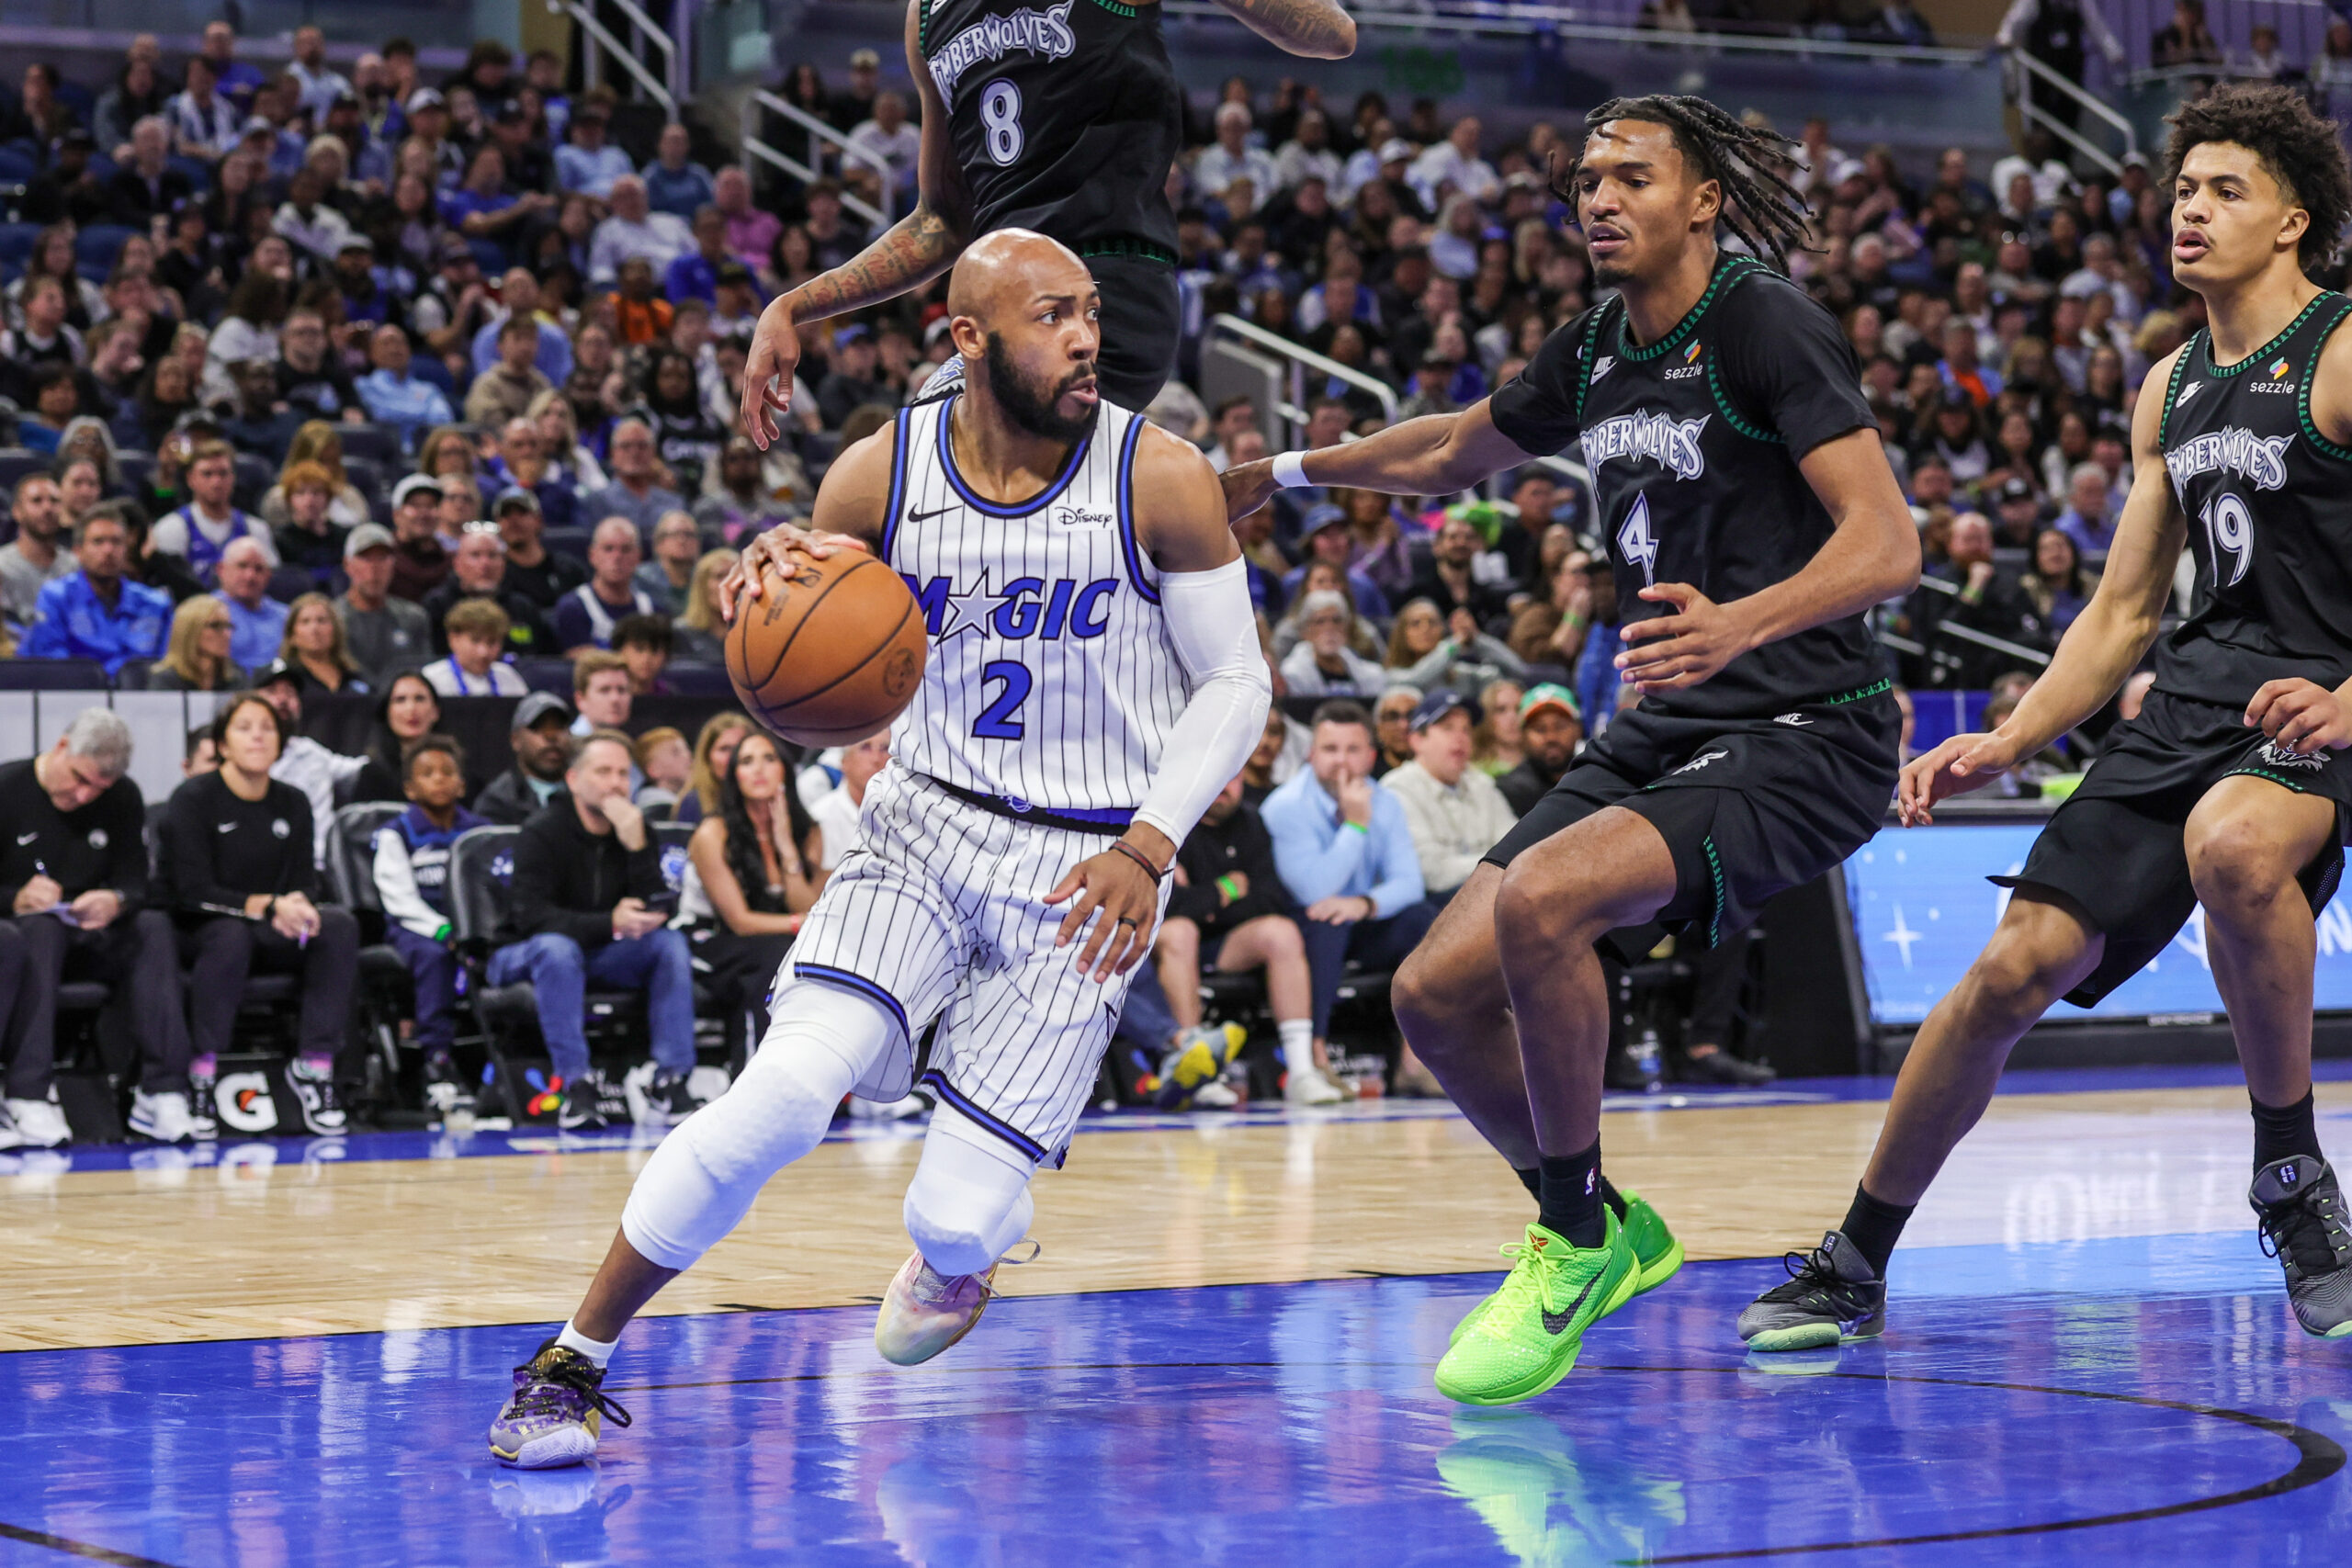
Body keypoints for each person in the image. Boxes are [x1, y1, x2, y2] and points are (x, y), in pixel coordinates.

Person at [489, 231, 1271, 1468]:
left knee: (952, 1217)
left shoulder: (1159, 473)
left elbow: (1236, 678)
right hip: (924, 822)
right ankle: (569, 1357)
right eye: (1052, 315)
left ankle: (960, 1256)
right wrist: (763, 574)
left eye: (1091, 315)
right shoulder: (876, 472)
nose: (1086, 339)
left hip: (1088, 867)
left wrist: (1152, 838)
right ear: (967, 337)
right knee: (778, 1101)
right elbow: (807, 603)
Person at [1225, 95, 1919, 1403]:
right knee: (1432, 994)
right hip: (1670, 726)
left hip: (1808, 727)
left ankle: (1571, 1240)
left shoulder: (1762, 320)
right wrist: (1290, 468)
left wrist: (1738, 626)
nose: (1597, 198)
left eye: (1630, 176)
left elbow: (1890, 542)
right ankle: (1600, 1221)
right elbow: (1445, 446)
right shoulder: (1600, 345)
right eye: (1585, 180)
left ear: (1704, 196)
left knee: (1545, 900)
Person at [1740, 85, 2352, 1353]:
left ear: (2295, 222)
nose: (2190, 209)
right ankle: (1856, 1255)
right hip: (2198, 699)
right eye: (2182, 189)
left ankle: (2291, 1176)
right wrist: (2012, 738)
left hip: (2329, 694)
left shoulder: (2344, 350)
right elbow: (2124, 612)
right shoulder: (2172, 387)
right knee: (2011, 966)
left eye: (2225, 190)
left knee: (2236, 847)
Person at [736, 0, 1354, 444]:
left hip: (1107, 285)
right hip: (1007, 299)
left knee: (930, 448)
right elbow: (942, 221)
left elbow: (1334, 35)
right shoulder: (927, 13)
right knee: (914, 469)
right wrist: (792, 306)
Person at [160, 694, 361, 1134]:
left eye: (267, 728)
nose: (258, 735)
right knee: (230, 935)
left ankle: (315, 1066)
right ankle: (201, 1073)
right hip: (204, 927)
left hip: (274, 926)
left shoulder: (293, 802)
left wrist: (300, 906)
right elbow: (191, 891)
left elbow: (304, 880)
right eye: (245, 727)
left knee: (338, 925)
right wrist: (267, 906)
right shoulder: (193, 799)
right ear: (224, 744)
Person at [486, 728, 697, 1130]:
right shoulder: (542, 831)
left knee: (668, 945)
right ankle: (576, 1085)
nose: (616, 783)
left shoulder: (636, 829)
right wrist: (610, 922)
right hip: (523, 952)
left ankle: (670, 1080)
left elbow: (659, 908)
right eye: (603, 771)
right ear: (573, 779)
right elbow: (531, 916)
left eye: (622, 773)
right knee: (556, 948)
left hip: (598, 953)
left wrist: (636, 847)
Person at [0, 712, 192, 1147]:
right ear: (62, 746)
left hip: (90, 930)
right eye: (78, 779)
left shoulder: (122, 797)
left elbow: (138, 880)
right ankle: (27, 1093)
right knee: (39, 930)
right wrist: (14, 897)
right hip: (24, 934)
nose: (84, 796)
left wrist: (117, 899)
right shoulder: (7, 788)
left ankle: (161, 1090)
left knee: (153, 927)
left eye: (97, 789)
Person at [1261, 700, 1439, 1085]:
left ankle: (1416, 1057)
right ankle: (1316, 1054)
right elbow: (1313, 891)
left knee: (1421, 918)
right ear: (1310, 754)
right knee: (1326, 921)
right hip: (1304, 923)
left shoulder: (1386, 801)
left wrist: (1365, 903)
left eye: (1352, 749)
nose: (1341, 760)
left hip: (1360, 916)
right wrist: (1356, 826)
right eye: (1330, 749)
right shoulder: (1285, 807)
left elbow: (1410, 882)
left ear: (1371, 756)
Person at [1157, 773, 1341, 1106]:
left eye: (1233, 776)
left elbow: (1271, 897)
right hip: (1172, 945)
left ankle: (1300, 1072)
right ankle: (1196, 1065)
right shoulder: (1174, 823)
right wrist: (1227, 890)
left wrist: (1210, 904)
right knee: (1182, 930)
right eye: (1217, 776)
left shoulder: (1251, 823)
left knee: (1281, 932)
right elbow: (1168, 905)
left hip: (1225, 943)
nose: (1224, 786)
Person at [685, 728, 826, 1053]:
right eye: (747, 761)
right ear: (734, 776)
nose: (759, 769)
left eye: (769, 758)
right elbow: (739, 921)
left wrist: (786, 846)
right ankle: (757, 1070)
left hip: (779, 942)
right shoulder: (713, 833)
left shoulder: (809, 830)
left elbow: (804, 904)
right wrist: (798, 924)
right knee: (778, 957)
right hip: (714, 940)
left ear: (785, 771)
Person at [371, 734, 488, 1118]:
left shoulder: (480, 832)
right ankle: (437, 1061)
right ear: (409, 786)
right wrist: (441, 930)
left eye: (447, 772)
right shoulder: (396, 834)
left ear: (462, 784)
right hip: (417, 930)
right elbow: (399, 899)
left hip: (471, 928)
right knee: (435, 957)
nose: (438, 779)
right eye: (427, 773)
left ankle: (503, 1065)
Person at [1382, 688, 1521, 905]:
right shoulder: (1396, 790)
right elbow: (1431, 873)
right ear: (1417, 740)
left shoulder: (1482, 785)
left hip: (1490, 897)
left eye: (1466, 729)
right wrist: (1498, 863)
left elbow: (1518, 846)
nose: (1461, 738)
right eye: (1448, 728)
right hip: (1431, 907)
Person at [21, 510, 171, 677]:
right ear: (78, 551)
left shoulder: (156, 604)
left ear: (126, 550)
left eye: (116, 542)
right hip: (71, 694)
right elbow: (50, 661)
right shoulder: (56, 597)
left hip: (140, 697)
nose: (108, 550)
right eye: (98, 542)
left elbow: (166, 664)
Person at [152, 440, 278, 589]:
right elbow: (169, 585)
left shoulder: (256, 529)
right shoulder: (171, 528)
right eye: (207, 474)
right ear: (191, 479)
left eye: (223, 473)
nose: (216, 482)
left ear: (233, 477)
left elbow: (270, 581)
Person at [421, 522, 556, 659]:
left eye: (492, 555)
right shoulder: (436, 606)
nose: (485, 564)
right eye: (475, 555)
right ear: (457, 564)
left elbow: (546, 660)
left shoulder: (523, 608)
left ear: (503, 564)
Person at [336, 525, 434, 687]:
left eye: (382, 558)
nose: (374, 568)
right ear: (347, 564)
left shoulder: (414, 617)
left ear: (393, 564)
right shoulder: (333, 619)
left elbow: (424, 672)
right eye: (366, 558)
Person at [552, 517, 658, 653]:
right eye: (608, 549)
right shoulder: (573, 608)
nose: (617, 557)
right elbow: (582, 665)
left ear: (638, 556)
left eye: (625, 549)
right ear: (592, 555)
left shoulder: (653, 611)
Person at [474, 693, 579, 826]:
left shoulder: (588, 791)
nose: (551, 736)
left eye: (559, 726)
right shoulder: (497, 801)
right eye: (538, 727)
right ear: (515, 740)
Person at [351, 670, 445, 804]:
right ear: (386, 712)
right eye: (400, 700)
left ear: (436, 711)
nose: (411, 708)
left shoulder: (455, 771)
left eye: (420, 699)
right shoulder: (373, 775)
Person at [0, 473, 74, 629]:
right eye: (36, 501)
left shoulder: (75, 566)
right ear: (17, 511)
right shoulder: (2, 566)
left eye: (54, 501)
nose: (47, 508)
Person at [1497, 683, 1584, 817]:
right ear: (1522, 735)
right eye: (1539, 729)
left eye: (1560, 726)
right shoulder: (1508, 792)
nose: (1551, 737)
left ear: (1578, 730)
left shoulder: (1596, 782)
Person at [425, 598, 532, 697]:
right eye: (475, 641)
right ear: (454, 639)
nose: (483, 652)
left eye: (492, 642)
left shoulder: (508, 677)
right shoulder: (431, 679)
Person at [213, 537, 290, 673]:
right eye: (242, 566)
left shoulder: (287, 616)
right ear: (221, 569)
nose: (250, 576)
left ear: (268, 575)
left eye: (258, 569)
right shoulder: (203, 614)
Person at [279, 591, 368, 699]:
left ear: (335, 631)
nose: (314, 629)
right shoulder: (283, 679)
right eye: (305, 622)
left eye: (321, 621)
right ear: (292, 635)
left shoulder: (354, 678)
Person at [676, 712, 753, 828]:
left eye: (740, 747)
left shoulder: (770, 799)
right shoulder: (694, 803)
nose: (733, 756)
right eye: (724, 749)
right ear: (707, 757)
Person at [149, 597, 241, 691]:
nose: (227, 634)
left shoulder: (235, 678)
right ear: (190, 631)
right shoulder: (165, 679)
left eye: (228, 626)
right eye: (216, 625)